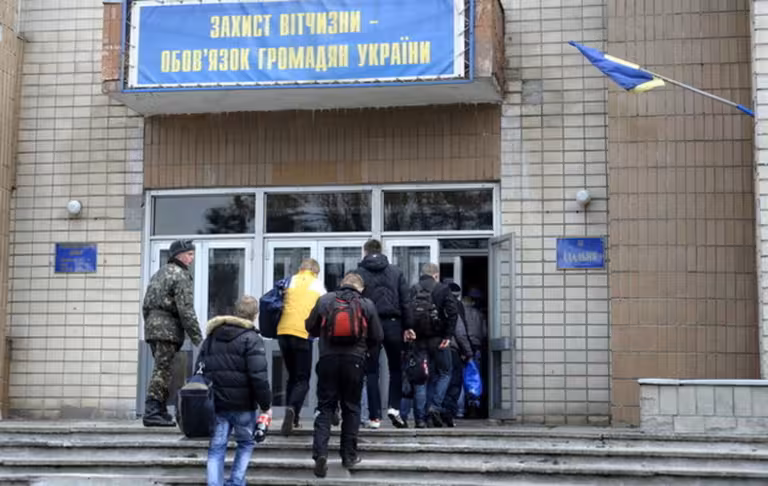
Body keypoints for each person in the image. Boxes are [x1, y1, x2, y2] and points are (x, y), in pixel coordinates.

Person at [306, 272, 383, 478]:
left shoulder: (325, 300)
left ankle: (320, 454)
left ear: (342, 284)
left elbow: (310, 327)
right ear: (361, 288)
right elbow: (377, 336)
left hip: (328, 359)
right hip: (355, 361)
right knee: (352, 407)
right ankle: (348, 455)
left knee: (325, 407)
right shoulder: (366, 304)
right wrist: (366, 351)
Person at [197, 296, 272, 486]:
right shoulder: (252, 339)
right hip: (244, 405)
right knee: (245, 443)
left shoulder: (212, 337)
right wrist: (265, 405)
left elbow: (199, 370)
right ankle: (236, 482)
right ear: (255, 315)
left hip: (217, 404)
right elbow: (259, 377)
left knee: (216, 448)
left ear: (235, 311)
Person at [142, 239, 203, 427]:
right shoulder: (180, 275)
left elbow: (146, 305)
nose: (192, 258)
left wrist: (151, 325)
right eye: (190, 254)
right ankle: (152, 411)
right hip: (167, 330)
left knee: (162, 368)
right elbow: (186, 310)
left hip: (153, 328)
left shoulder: (159, 273)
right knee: (163, 369)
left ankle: (160, 410)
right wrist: (198, 339)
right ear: (179, 255)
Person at [355, 239, 410, 429]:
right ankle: (394, 407)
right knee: (396, 368)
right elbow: (405, 301)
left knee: (371, 371)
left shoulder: (358, 273)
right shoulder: (396, 272)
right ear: (382, 250)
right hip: (393, 324)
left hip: (369, 325)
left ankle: (374, 417)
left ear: (365, 251)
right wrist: (408, 326)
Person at [276, 258, 326, 435]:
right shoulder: (317, 285)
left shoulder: (289, 281)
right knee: (303, 378)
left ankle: (293, 417)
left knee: (292, 376)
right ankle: (293, 409)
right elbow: (325, 308)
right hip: (302, 334)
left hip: (283, 332)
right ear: (315, 272)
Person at [407, 263, 458, 428]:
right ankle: (435, 406)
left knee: (421, 378)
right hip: (438, 340)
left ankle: (420, 419)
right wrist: (448, 336)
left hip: (418, 341)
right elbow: (453, 313)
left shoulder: (413, 289)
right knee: (445, 373)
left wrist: (408, 330)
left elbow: (405, 312)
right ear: (436, 275)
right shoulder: (442, 289)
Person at [441, 283, 473, 427]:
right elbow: (460, 333)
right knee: (453, 383)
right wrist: (468, 352)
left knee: (438, 382)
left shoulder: (434, 303)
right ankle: (447, 414)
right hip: (452, 350)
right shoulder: (455, 306)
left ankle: (432, 412)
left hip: (434, 349)